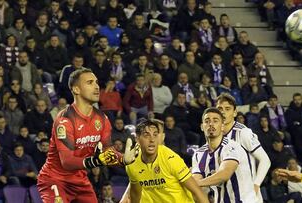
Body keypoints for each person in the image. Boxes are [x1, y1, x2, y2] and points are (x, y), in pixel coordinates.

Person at [37, 68, 139, 203]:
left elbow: (107, 152)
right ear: (76, 89)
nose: (96, 86)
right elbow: (67, 161)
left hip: (80, 180)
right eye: (90, 83)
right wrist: (96, 161)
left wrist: (123, 159)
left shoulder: (102, 119)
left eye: (96, 82)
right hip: (55, 179)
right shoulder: (65, 120)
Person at [125, 119, 209, 203]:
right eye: (147, 135)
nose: (152, 140)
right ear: (137, 139)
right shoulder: (132, 162)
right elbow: (135, 193)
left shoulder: (171, 159)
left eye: (155, 135)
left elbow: (196, 192)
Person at [192, 107, 258, 202]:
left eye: (215, 121)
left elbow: (224, 175)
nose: (211, 124)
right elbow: (196, 185)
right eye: (207, 121)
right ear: (202, 127)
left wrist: (196, 183)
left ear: (222, 126)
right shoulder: (199, 154)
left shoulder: (232, 147)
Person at [216, 93, 271, 200]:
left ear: (235, 112)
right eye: (220, 108)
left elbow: (265, 160)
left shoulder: (243, 132)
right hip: (226, 196)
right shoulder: (215, 135)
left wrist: (256, 185)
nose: (223, 112)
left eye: (227, 109)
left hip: (247, 197)